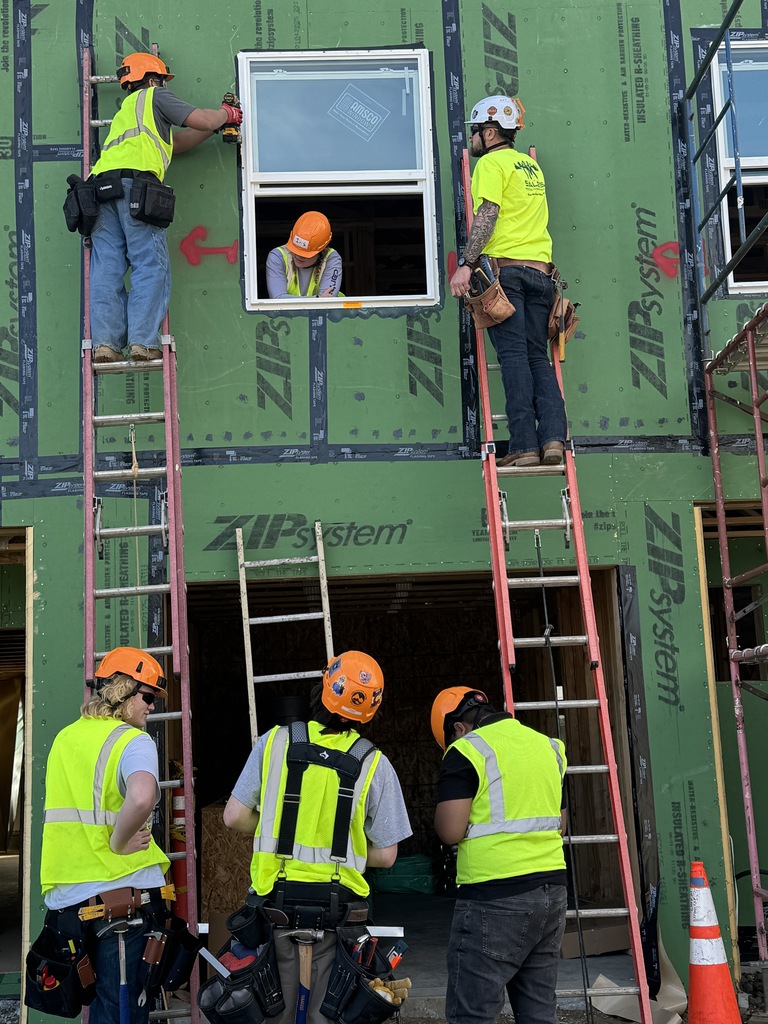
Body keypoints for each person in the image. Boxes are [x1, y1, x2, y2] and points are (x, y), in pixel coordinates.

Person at [223, 650, 412, 1024]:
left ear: (324, 688)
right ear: (371, 709)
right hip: (338, 917)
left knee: (270, 1011)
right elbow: (387, 854)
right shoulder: (375, 762)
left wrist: (276, 832)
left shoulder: (274, 742)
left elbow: (234, 817)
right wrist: (343, 851)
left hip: (273, 909)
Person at [38, 647, 172, 1024]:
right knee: (123, 1013)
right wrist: (118, 840)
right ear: (123, 693)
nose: (151, 708)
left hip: (69, 907)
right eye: (147, 698)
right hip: (121, 905)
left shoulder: (65, 739)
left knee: (98, 1010)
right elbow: (143, 794)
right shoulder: (133, 741)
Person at [88, 52, 243, 363]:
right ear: (153, 78)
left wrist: (210, 129)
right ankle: (142, 342)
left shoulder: (127, 112)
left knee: (107, 268)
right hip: (135, 187)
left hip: (100, 191)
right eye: (161, 80)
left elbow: (178, 142)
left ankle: (105, 344)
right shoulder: (155, 96)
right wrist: (228, 114)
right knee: (150, 264)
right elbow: (205, 118)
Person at [431, 686, 567, 1024]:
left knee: (472, 1014)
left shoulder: (466, 752)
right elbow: (560, 823)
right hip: (552, 893)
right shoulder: (547, 746)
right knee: (538, 1011)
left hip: (493, 896)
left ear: (458, 728)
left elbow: (449, 831)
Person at [449, 95, 567, 468]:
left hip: (507, 275)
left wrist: (466, 264)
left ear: (489, 131)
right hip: (542, 275)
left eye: (475, 132)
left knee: (514, 357)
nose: (471, 140)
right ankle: (552, 440)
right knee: (537, 357)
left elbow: (487, 213)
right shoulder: (529, 166)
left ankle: (523, 446)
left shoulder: (491, 164)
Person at [266, 211, 343, 298]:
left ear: (321, 250)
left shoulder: (331, 258)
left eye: (305, 254)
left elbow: (326, 302)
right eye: (295, 249)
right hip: (288, 312)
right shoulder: (277, 257)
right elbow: (277, 299)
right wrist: (317, 299)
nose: (298, 256)